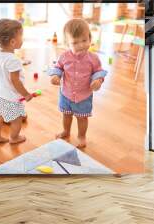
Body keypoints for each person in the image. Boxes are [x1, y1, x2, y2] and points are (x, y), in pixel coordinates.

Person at [48, 18, 107, 148]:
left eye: (84, 40)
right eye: (75, 43)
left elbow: (99, 71)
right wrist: (55, 75)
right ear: (67, 44)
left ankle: (81, 136)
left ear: (90, 38)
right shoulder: (64, 57)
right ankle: (66, 131)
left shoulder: (93, 58)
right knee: (66, 115)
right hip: (66, 94)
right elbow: (58, 67)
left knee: (82, 118)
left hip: (83, 96)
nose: (81, 45)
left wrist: (98, 80)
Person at [0, 19, 32, 144]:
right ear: (13, 42)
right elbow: (15, 81)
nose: (23, 39)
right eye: (21, 36)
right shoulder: (13, 60)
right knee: (17, 119)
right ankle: (14, 138)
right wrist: (26, 94)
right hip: (10, 98)